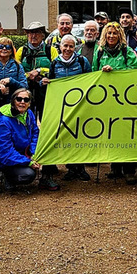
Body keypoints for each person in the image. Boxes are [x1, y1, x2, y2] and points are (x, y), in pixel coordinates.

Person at [93, 23, 137, 183]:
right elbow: (94, 73)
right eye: (109, 33)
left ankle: (129, 169)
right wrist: (102, 72)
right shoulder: (99, 52)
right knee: (111, 133)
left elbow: (134, 72)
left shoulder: (127, 52)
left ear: (119, 35)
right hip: (107, 100)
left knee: (127, 134)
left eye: (114, 33)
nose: (111, 36)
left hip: (125, 100)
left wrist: (116, 73)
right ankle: (115, 167)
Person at [42, 35, 92, 183]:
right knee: (67, 136)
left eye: (71, 46)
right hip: (61, 106)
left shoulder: (82, 62)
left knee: (80, 135)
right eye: (65, 46)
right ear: (60, 46)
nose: (68, 49)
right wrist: (43, 83)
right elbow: (50, 82)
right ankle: (71, 168)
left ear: (75, 47)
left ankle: (80, 167)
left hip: (79, 104)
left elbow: (90, 80)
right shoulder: (54, 63)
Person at [0, 88, 42, 191]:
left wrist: (34, 153)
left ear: (29, 103)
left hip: (23, 154)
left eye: (26, 100)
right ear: (13, 101)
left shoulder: (29, 114)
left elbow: (35, 133)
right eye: (19, 99)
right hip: (6, 159)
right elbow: (4, 151)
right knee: (28, 174)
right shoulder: (3, 121)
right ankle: (6, 175)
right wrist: (28, 162)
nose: (22, 102)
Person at [15, 22, 57, 117]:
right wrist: (28, 76)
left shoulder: (51, 50)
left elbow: (57, 70)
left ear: (43, 35)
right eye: (30, 33)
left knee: (47, 119)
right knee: (26, 118)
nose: (33, 36)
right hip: (26, 92)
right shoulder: (22, 51)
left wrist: (39, 71)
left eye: (37, 32)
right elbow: (15, 71)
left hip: (46, 92)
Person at [0, 37, 28, 112]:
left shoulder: (17, 66)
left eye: (8, 47)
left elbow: (24, 86)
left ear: (12, 50)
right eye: (1, 46)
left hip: (13, 105)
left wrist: (11, 81)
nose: (4, 49)